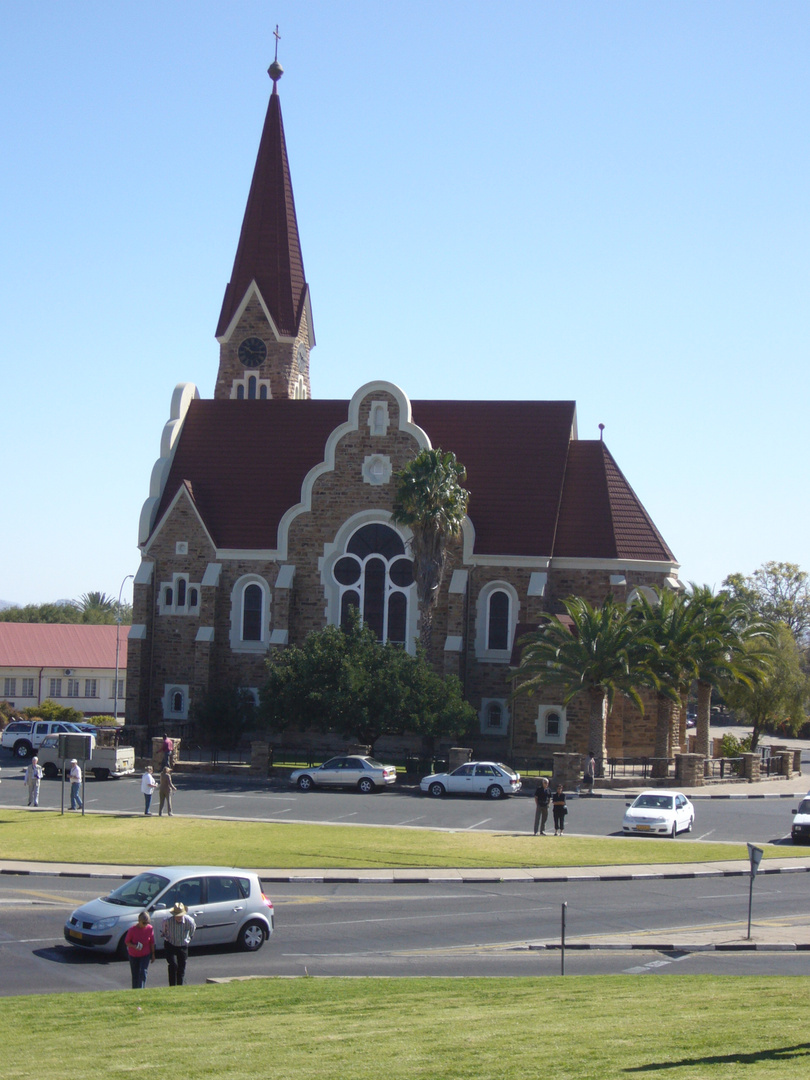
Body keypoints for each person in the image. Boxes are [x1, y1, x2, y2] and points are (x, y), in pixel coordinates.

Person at [161, 902, 196, 986]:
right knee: (173, 965)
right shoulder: (167, 921)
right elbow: (164, 931)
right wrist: (166, 936)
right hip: (170, 944)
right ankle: (172, 985)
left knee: (181, 966)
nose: (179, 917)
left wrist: (188, 939)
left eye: (180, 915)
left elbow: (192, 931)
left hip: (182, 945)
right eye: (177, 915)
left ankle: (180, 986)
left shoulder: (189, 921)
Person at [124, 911, 156, 989]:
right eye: (144, 923)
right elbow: (127, 942)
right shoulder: (132, 930)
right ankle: (135, 990)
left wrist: (153, 954)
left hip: (145, 954)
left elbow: (152, 942)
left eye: (147, 923)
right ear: (139, 921)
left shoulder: (149, 928)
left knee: (143, 972)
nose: (145, 925)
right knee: (135, 974)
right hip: (134, 955)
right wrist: (134, 946)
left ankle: (141, 989)